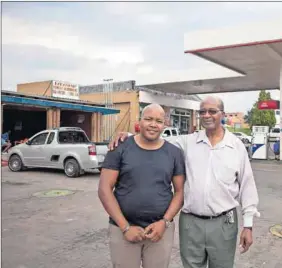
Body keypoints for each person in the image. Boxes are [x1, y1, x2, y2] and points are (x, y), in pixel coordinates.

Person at [109, 96, 260, 268]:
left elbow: (247, 186)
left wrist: (248, 225)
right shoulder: (188, 142)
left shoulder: (236, 146)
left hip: (223, 223)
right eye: (202, 112)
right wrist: (129, 135)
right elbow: (157, 139)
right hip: (191, 223)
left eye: (212, 111)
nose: (207, 115)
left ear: (222, 114)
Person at [98, 104, 185, 268]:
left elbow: (180, 192)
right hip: (123, 229)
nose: (153, 124)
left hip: (160, 231)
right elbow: (104, 189)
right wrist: (125, 228)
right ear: (139, 121)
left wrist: (164, 222)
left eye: (159, 121)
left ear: (164, 125)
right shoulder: (120, 148)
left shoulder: (174, 153)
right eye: (148, 119)